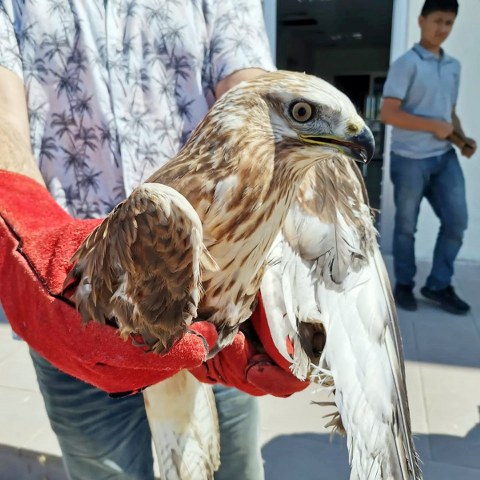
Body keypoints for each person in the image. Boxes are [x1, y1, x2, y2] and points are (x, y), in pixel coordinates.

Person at [0, 2, 307, 479]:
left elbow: (253, 95)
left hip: (213, 302)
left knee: (232, 469)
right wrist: (26, 228)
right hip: (75, 299)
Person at [380, 0, 476, 314]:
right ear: (421, 20)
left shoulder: (453, 67)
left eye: (449, 23)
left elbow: (447, 113)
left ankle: (437, 285)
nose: (442, 29)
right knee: (407, 227)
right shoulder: (406, 63)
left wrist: (460, 139)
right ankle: (404, 284)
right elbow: (388, 113)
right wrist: (433, 126)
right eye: (437, 21)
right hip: (409, 158)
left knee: (457, 221)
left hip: (444, 156)